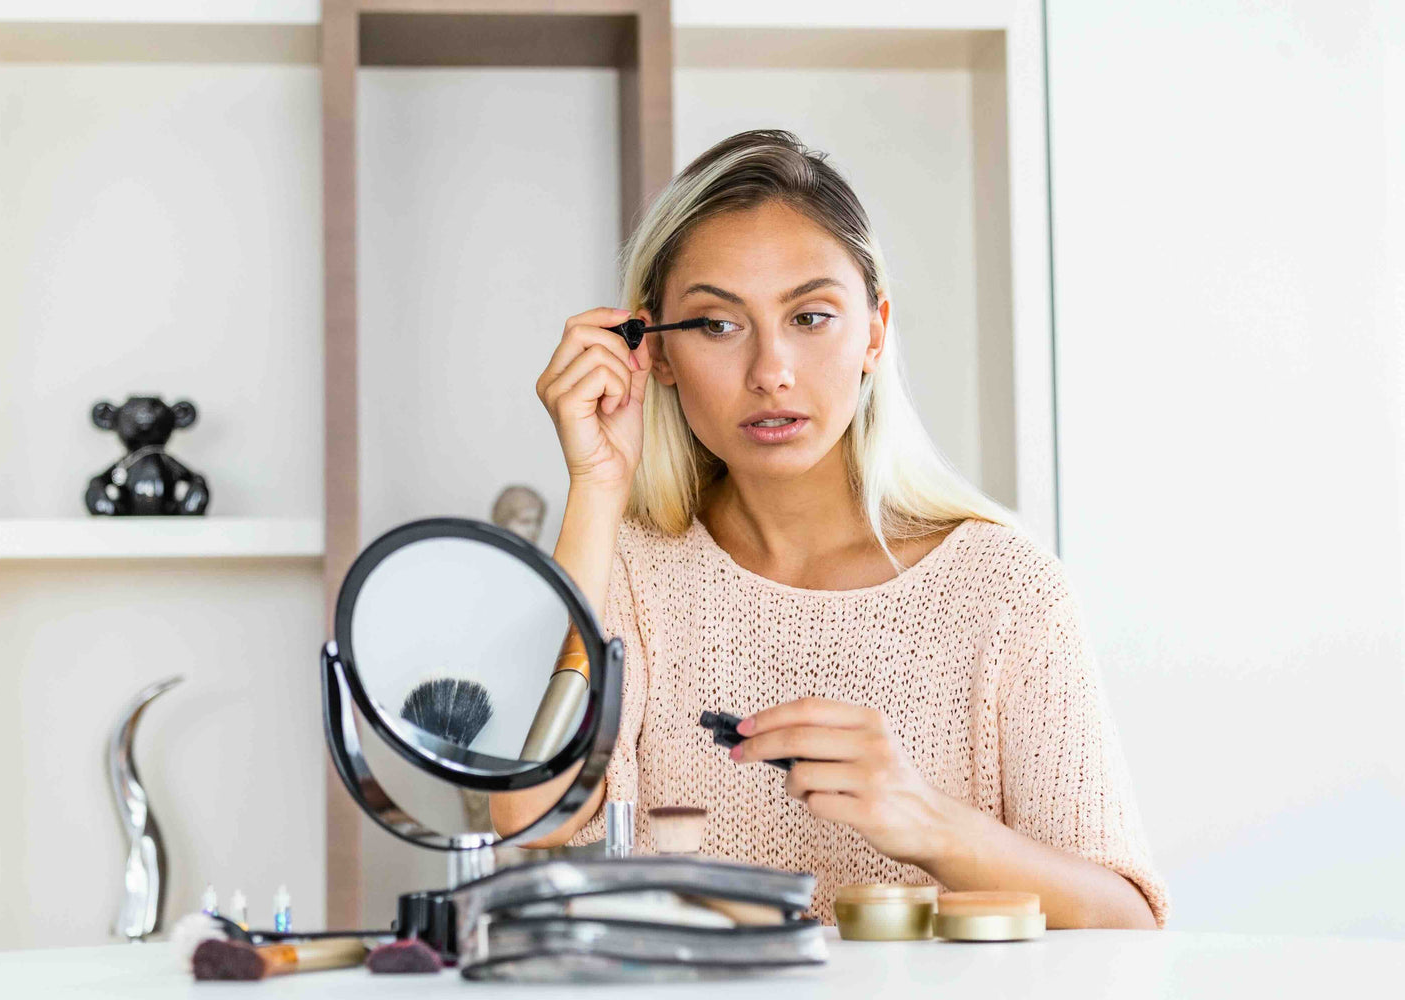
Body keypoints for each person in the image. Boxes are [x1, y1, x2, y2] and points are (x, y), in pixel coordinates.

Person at [490, 129, 1167, 929]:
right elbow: (532, 815)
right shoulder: (632, 568)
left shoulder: (1006, 590)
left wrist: (925, 819)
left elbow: (1129, 925)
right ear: (657, 354)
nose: (771, 369)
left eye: (810, 316)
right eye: (716, 325)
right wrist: (598, 486)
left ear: (875, 333)